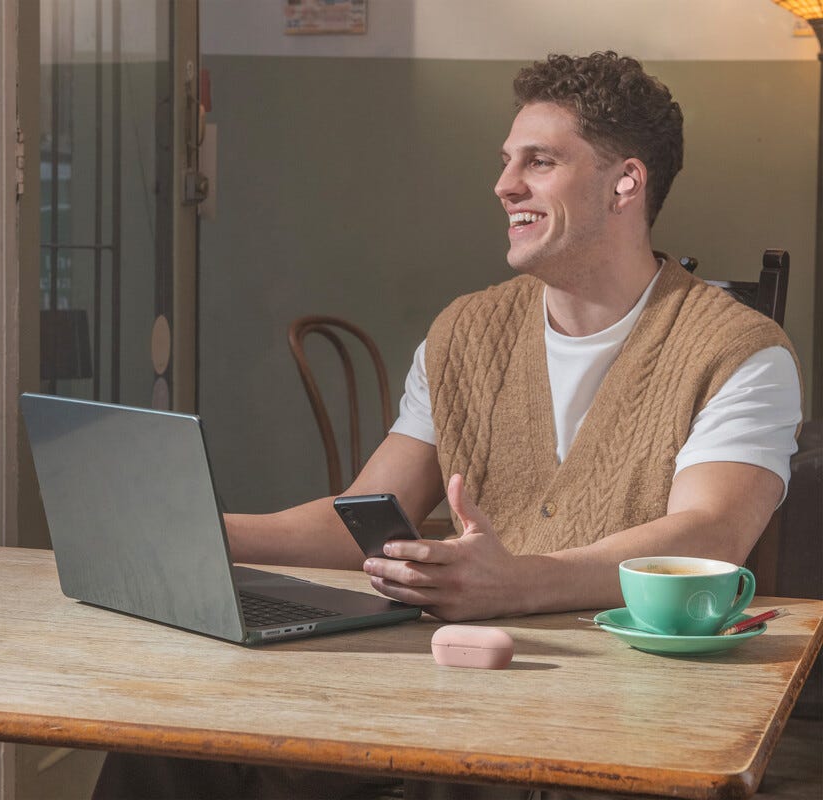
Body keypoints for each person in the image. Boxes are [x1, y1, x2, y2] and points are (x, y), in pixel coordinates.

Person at [93, 51, 802, 800]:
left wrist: (516, 583)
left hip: (620, 708)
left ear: (626, 182)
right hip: (447, 686)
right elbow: (365, 520)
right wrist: (200, 533)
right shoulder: (465, 332)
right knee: (164, 736)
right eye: (506, 161)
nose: (505, 185)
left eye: (539, 161)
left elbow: (709, 538)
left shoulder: (739, 351)